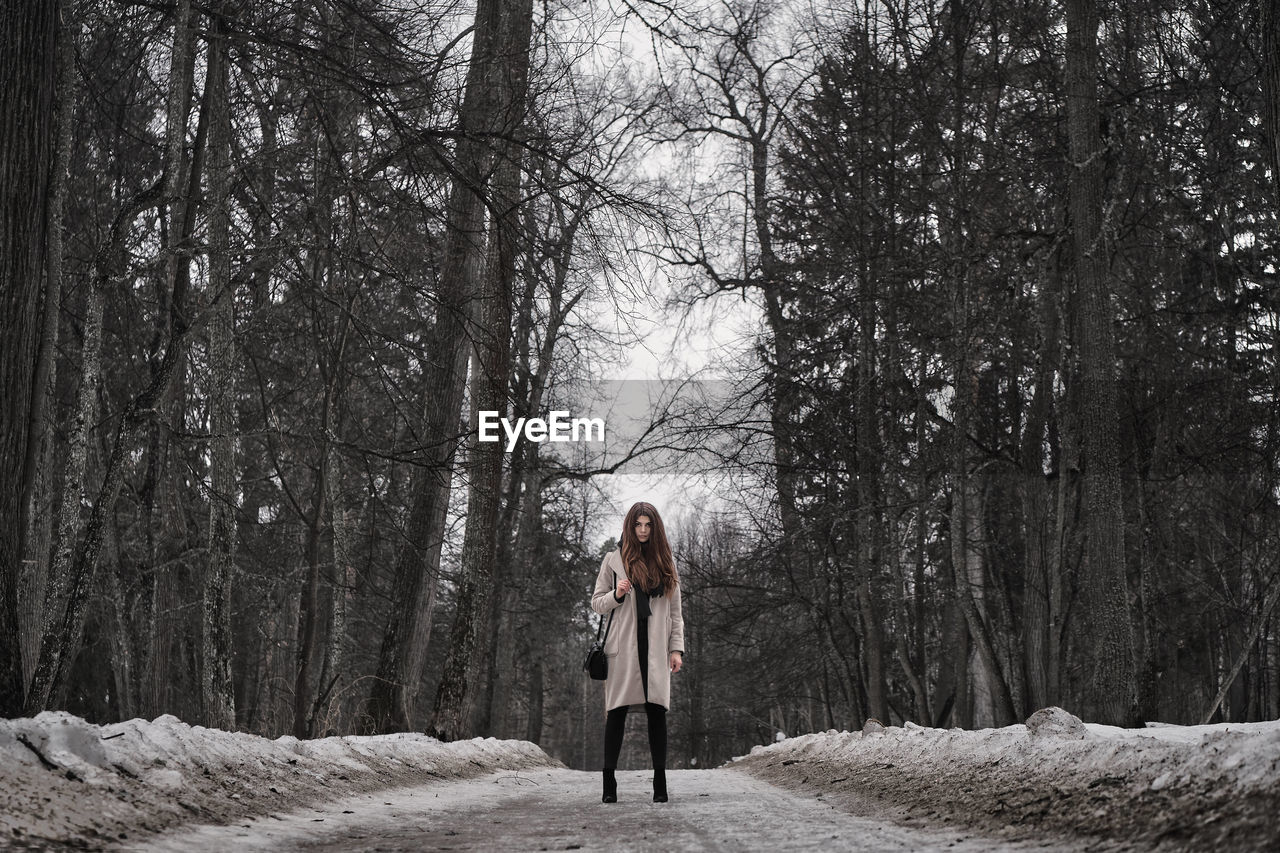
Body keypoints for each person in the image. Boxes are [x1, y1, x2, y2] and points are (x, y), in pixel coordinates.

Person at [590, 501, 685, 803]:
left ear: (655, 528)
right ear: (630, 526)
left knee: (657, 714)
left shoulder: (666, 562)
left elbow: (675, 613)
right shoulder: (613, 560)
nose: (643, 530)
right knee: (616, 714)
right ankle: (609, 785)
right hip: (623, 649)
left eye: (648, 525)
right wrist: (617, 594)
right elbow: (596, 603)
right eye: (637, 525)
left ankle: (660, 785)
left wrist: (676, 649)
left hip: (656, 650)